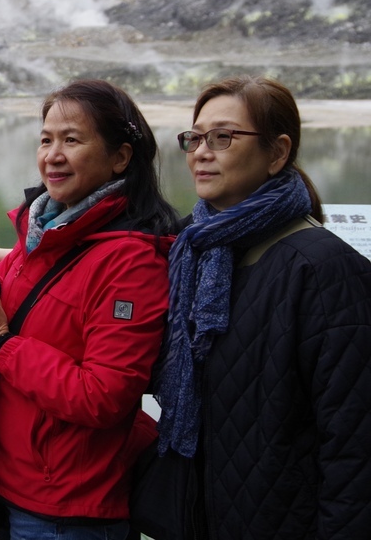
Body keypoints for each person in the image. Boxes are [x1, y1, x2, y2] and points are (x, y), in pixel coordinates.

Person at [0, 79, 179, 540]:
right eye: (46, 139)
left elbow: (103, 395)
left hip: (65, 508)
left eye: (72, 140)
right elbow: (37, 289)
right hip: (7, 483)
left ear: (120, 157)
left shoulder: (132, 262)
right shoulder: (48, 229)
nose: (53, 155)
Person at [155, 75, 371, 539]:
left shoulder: (324, 270)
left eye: (223, 137)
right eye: (195, 138)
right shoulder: (191, 250)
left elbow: (354, 444)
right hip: (200, 516)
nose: (201, 153)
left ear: (277, 152)